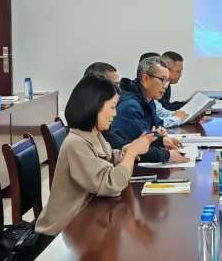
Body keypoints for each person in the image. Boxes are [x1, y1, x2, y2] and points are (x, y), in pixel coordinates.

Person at [35, 76, 155, 238]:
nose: (115, 114)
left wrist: (126, 152)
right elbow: (110, 184)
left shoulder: (93, 134)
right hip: (62, 233)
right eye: (112, 107)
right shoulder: (76, 143)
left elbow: (107, 160)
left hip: (84, 223)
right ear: (93, 106)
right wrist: (132, 153)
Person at [108, 56, 188, 164]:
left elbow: (155, 129)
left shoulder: (148, 98)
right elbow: (137, 147)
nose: (165, 86)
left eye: (167, 81)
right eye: (162, 80)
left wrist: (162, 141)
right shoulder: (130, 106)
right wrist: (167, 155)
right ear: (145, 79)